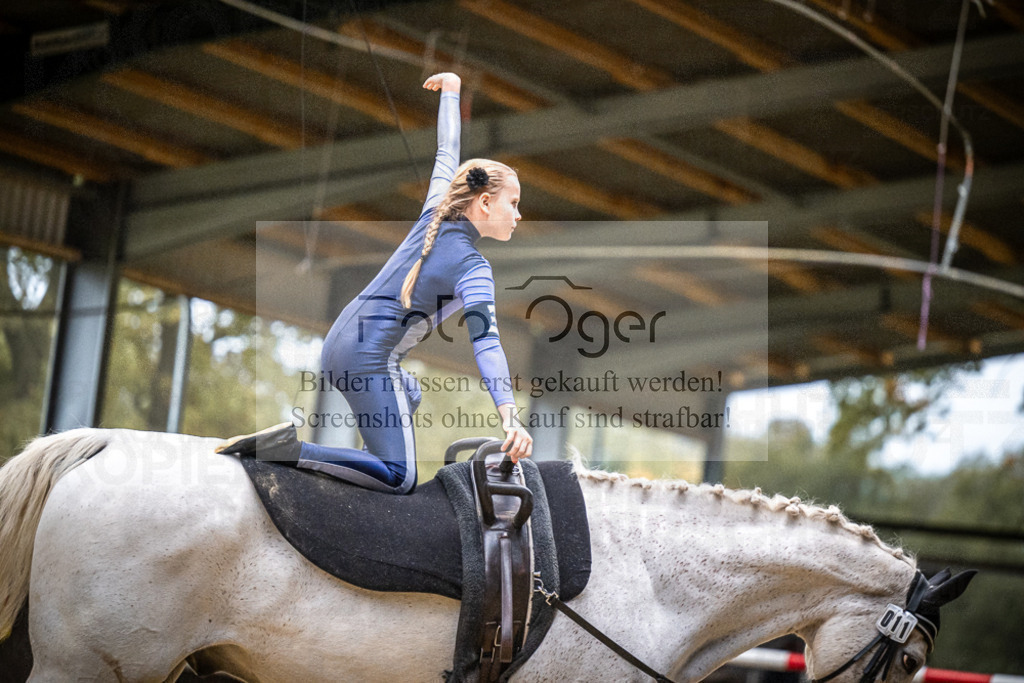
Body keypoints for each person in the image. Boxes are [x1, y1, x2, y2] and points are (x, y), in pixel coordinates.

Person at [216, 72, 532, 494]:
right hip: (367, 358)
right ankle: (290, 449)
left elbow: (447, 149)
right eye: (513, 203)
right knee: (402, 478)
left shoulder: (435, 210)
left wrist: (452, 91)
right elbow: (486, 342)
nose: (518, 214)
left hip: (339, 343)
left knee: (411, 391)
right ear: (485, 201)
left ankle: (361, 477)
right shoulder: (473, 268)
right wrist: (510, 417)